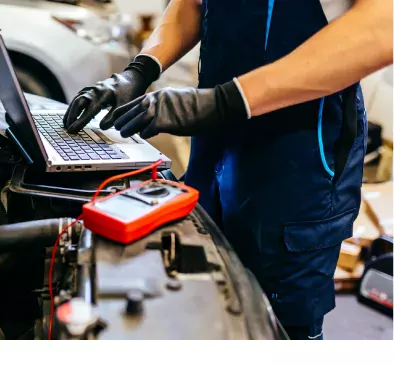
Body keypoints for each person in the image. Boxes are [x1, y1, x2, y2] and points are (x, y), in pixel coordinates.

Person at [63, 0, 393, 340]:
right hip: (215, 148)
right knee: (207, 301)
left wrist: (223, 102)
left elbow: (383, 28)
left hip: (300, 164)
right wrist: (140, 70)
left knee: (280, 328)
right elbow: (192, 4)